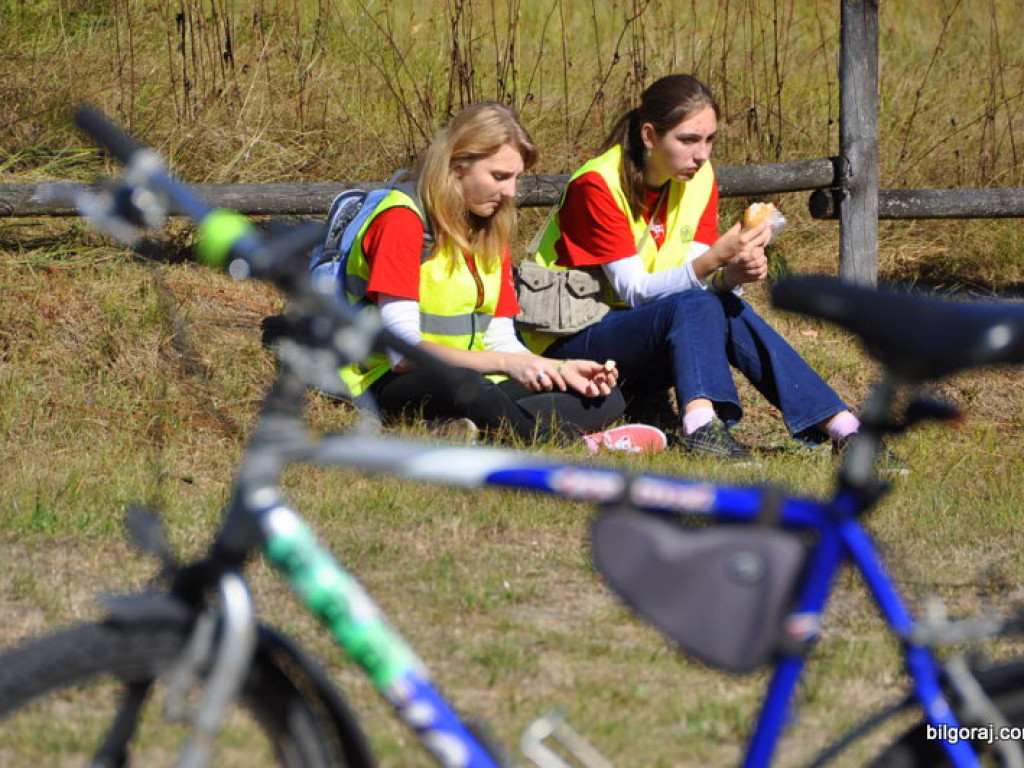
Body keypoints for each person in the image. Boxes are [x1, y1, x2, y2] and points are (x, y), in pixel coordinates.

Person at [524, 74, 861, 459]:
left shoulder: (701, 179)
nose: (701, 154)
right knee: (695, 304)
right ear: (649, 136)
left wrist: (731, 276)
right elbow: (635, 291)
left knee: (720, 304)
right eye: (688, 140)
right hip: (567, 342)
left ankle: (843, 427)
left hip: (639, 335)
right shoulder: (598, 184)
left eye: (709, 139)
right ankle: (703, 427)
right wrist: (714, 259)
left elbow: (692, 283)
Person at [337, 102, 666, 454]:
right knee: (468, 386)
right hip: (391, 380)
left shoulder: (489, 226)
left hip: (480, 377)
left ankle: (465, 428)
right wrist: (508, 364)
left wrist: (559, 368)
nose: (511, 192)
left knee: (604, 396)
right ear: (456, 166)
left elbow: (500, 340)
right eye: (499, 176)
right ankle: (574, 447)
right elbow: (401, 355)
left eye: (516, 178)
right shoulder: (402, 221)